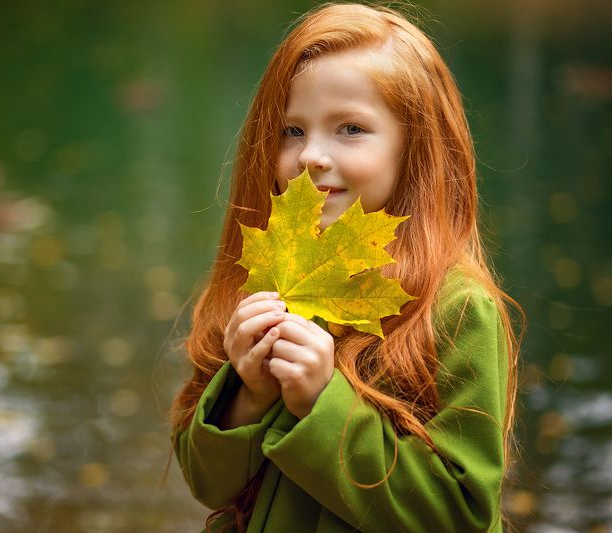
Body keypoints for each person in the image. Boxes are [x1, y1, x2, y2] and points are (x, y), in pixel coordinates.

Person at [170, 3, 523, 532]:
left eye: (351, 128)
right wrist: (248, 395)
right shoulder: (262, 283)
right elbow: (208, 485)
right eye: (291, 131)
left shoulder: (456, 309)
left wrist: (320, 405)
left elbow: (460, 516)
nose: (311, 155)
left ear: (417, 149)